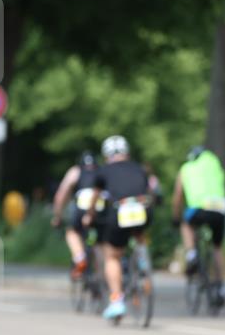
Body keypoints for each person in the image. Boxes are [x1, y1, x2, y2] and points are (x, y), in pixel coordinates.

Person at [81, 135, 152, 321]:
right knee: (139, 234)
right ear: (126, 152)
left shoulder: (103, 172)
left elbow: (95, 198)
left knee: (112, 256)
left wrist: (89, 215)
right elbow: (147, 191)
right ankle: (143, 262)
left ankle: (116, 300)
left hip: (119, 212)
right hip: (142, 210)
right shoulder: (139, 169)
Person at [172, 145, 225, 305]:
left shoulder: (186, 167)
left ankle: (192, 255)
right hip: (220, 207)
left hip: (199, 207)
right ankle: (221, 287)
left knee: (186, 224)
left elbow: (177, 196)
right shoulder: (214, 163)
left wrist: (175, 216)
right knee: (217, 248)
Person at [51, 151, 102, 279]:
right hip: (100, 208)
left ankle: (80, 258)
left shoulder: (76, 171)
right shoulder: (102, 171)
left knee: (72, 232)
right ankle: (100, 274)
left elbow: (61, 194)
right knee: (101, 241)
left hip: (82, 207)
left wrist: (57, 216)